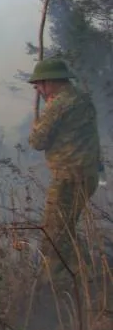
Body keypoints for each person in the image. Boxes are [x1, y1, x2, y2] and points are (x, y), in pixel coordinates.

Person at [27, 57, 104, 283]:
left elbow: (37, 141)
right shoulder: (82, 99)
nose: (38, 90)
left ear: (50, 82)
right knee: (66, 228)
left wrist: (38, 123)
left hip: (68, 178)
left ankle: (59, 284)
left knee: (54, 234)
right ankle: (88, 274)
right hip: (87, 175)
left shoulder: (58, 105)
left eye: (39, 84)